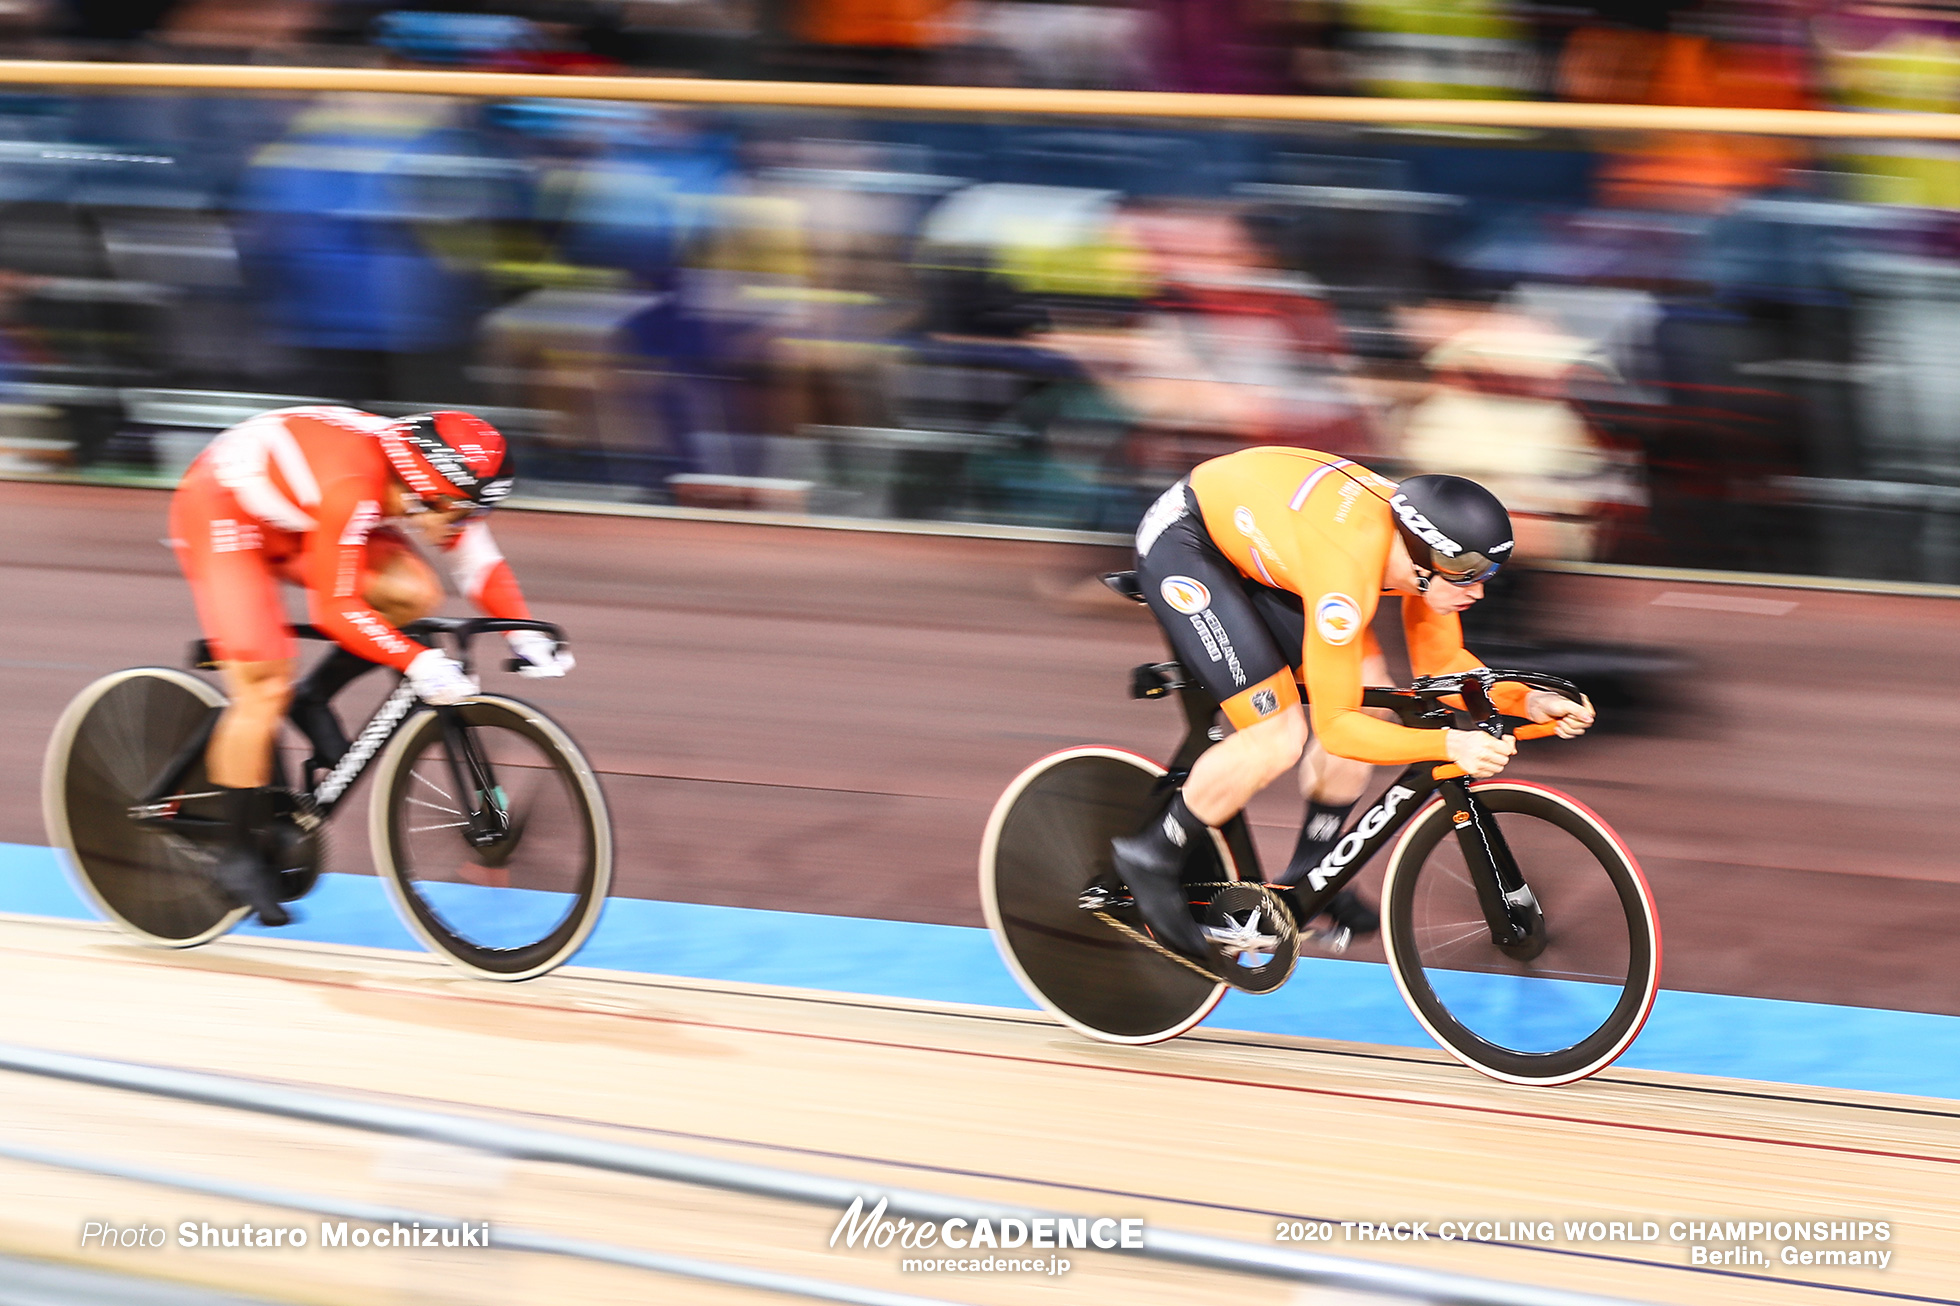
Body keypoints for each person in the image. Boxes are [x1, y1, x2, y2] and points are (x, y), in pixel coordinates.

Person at [1113, 447, 1594, 958]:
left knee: (1375, 701)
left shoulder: (1416, 556)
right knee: (1278, 735)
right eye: (1469, 574)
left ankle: (1310, 876)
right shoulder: (1347, 579)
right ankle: (1152, 853)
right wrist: (1450, 742)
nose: (1479, 592)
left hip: (1274, 545)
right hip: (1189, 541)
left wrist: (1530, 700)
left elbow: (1444, 666)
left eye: (1488, 574)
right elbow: (1337, 727)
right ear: (1427, 557)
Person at [168, 406, 575, 927]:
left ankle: (313, 696)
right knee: (264, 683)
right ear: (426, 489)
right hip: (224, 515)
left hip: (304, 520)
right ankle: (235, 855)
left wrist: (524, 633)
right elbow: (334, 610)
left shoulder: (423, 480)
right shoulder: (356, 482)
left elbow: (479, 563)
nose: (465, 526)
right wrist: (417, 660)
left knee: (413, 593)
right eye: (459, 512)